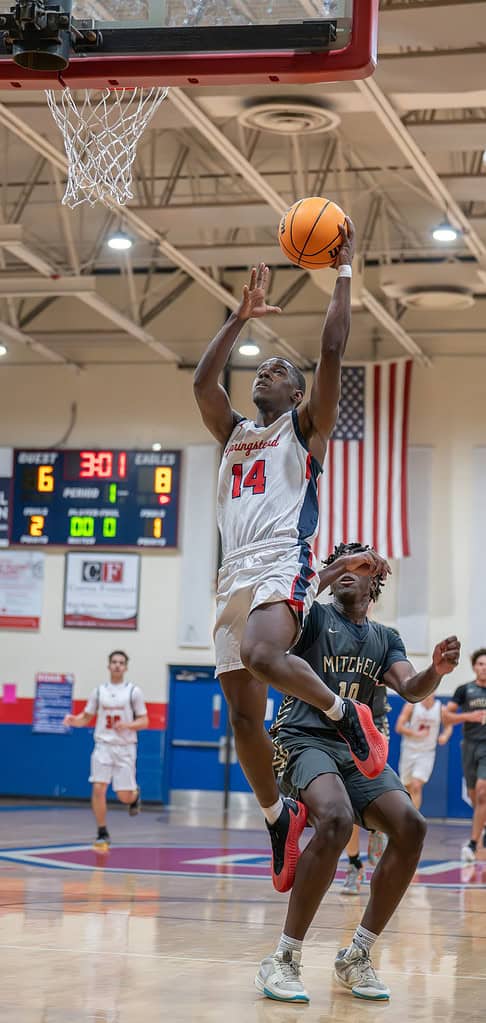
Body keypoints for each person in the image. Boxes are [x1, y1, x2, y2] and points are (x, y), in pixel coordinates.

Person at [193, 223, 389, 893]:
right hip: (231, 572)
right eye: (261, 365)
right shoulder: (234, 431)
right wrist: (238, 317)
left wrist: (343, 271)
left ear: (299, 395)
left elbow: (333, 347)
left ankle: (344, 715)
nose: (265, 370)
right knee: (245, 717)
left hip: (282, 557)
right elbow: (202, 384)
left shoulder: (304, 432)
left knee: (264, 654)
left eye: (278, 369)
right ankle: (278, 817)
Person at [256, 542, 460, 1003]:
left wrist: (437, 670)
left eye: (362, 563)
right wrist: (333, 569)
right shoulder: (312, 617)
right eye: (345, 560)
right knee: (336, 818)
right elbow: (298, 597)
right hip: (302, 738)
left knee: (411, 825)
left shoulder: (385, 638)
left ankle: (357, 955)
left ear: (377, 580)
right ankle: (283, 958)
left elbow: (409, 688)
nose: (351, 567)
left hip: (355, 747)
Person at [63, 650, 148, 850]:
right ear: (108, 666)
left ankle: (134, 796)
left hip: (125, 748)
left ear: (126, 667)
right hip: (103, 745)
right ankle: (102, 832)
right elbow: (86, 717)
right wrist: (73, 720)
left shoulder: (133, 691)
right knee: (99, 788)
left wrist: (127, 725)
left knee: (123, 796)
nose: (117, 665)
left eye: (121, 662)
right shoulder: (98, 691)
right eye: (114, 662)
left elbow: (145, 721)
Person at [342, 682, 391, 895]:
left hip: (374, 721)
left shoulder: (380, 649)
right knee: (347, 800)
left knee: (372, 787)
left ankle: (376, 827)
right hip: (341, 720)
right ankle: (354, 864)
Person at [443, 648, 486, 862]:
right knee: (473, 795)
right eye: (480, 664)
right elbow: (447, 717)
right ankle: (483, 827)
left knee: (482, 792)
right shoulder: (464, 690)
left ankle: (472, 843)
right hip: (469, 745)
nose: (484, 668)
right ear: (474, 666)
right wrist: (471, 716)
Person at [396, 694, 452, 810]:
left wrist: (445, 736)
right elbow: (399, 727)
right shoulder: (411, 706)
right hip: (409, 750)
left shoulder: (441, 708)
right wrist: (414, 733)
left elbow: (448, 726)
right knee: (406, 786)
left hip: (426, 752)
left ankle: (413, 821)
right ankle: (404, 814)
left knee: (416, 785)